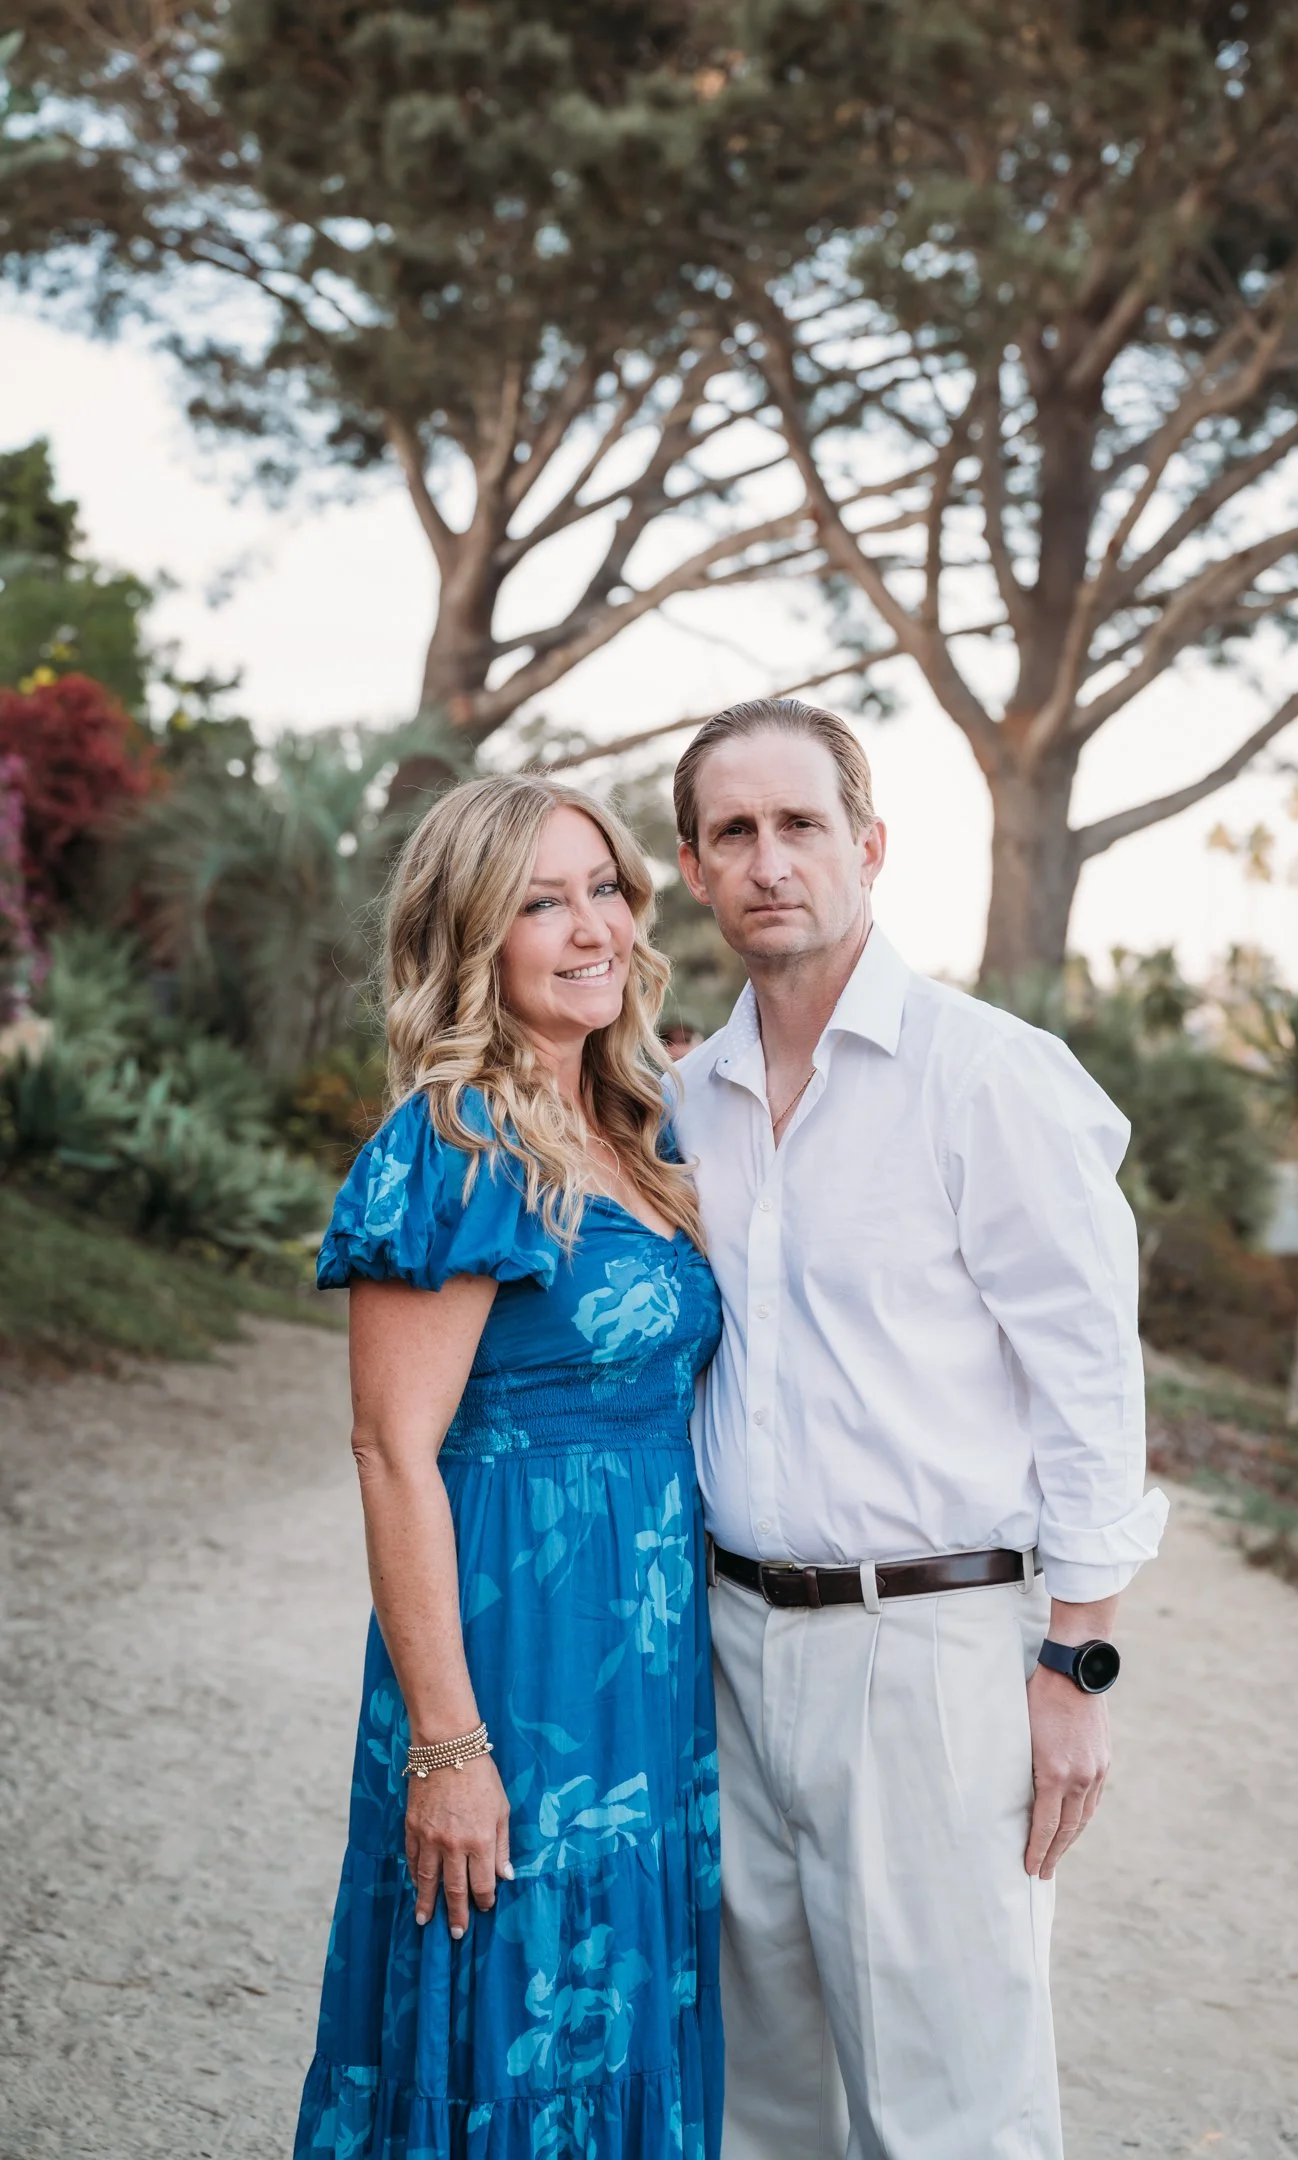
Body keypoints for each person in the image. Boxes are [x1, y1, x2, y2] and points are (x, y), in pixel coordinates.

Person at [668, 697, 1169, 2160]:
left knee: (951, 2104)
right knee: (764, 2099)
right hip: (732, 1648)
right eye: (734, 832)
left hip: (934, 1649)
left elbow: (1093, 1384)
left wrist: (1078, 1660)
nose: (771, 861)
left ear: (869, 847)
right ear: (694, 870)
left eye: (801, 825)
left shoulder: (987, 1076)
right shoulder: (684, 1098)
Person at [293, 775, 724, 2160]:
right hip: (512, 1674)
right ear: (472, 936)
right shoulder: (456, 1142)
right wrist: (449, 1746)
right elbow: (391, 1452)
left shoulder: (645, 1135)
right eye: (541, 901)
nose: (591, 926)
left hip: (644, 1677)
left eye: (603, 888)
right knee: (500, 2005)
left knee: (616, 2009)